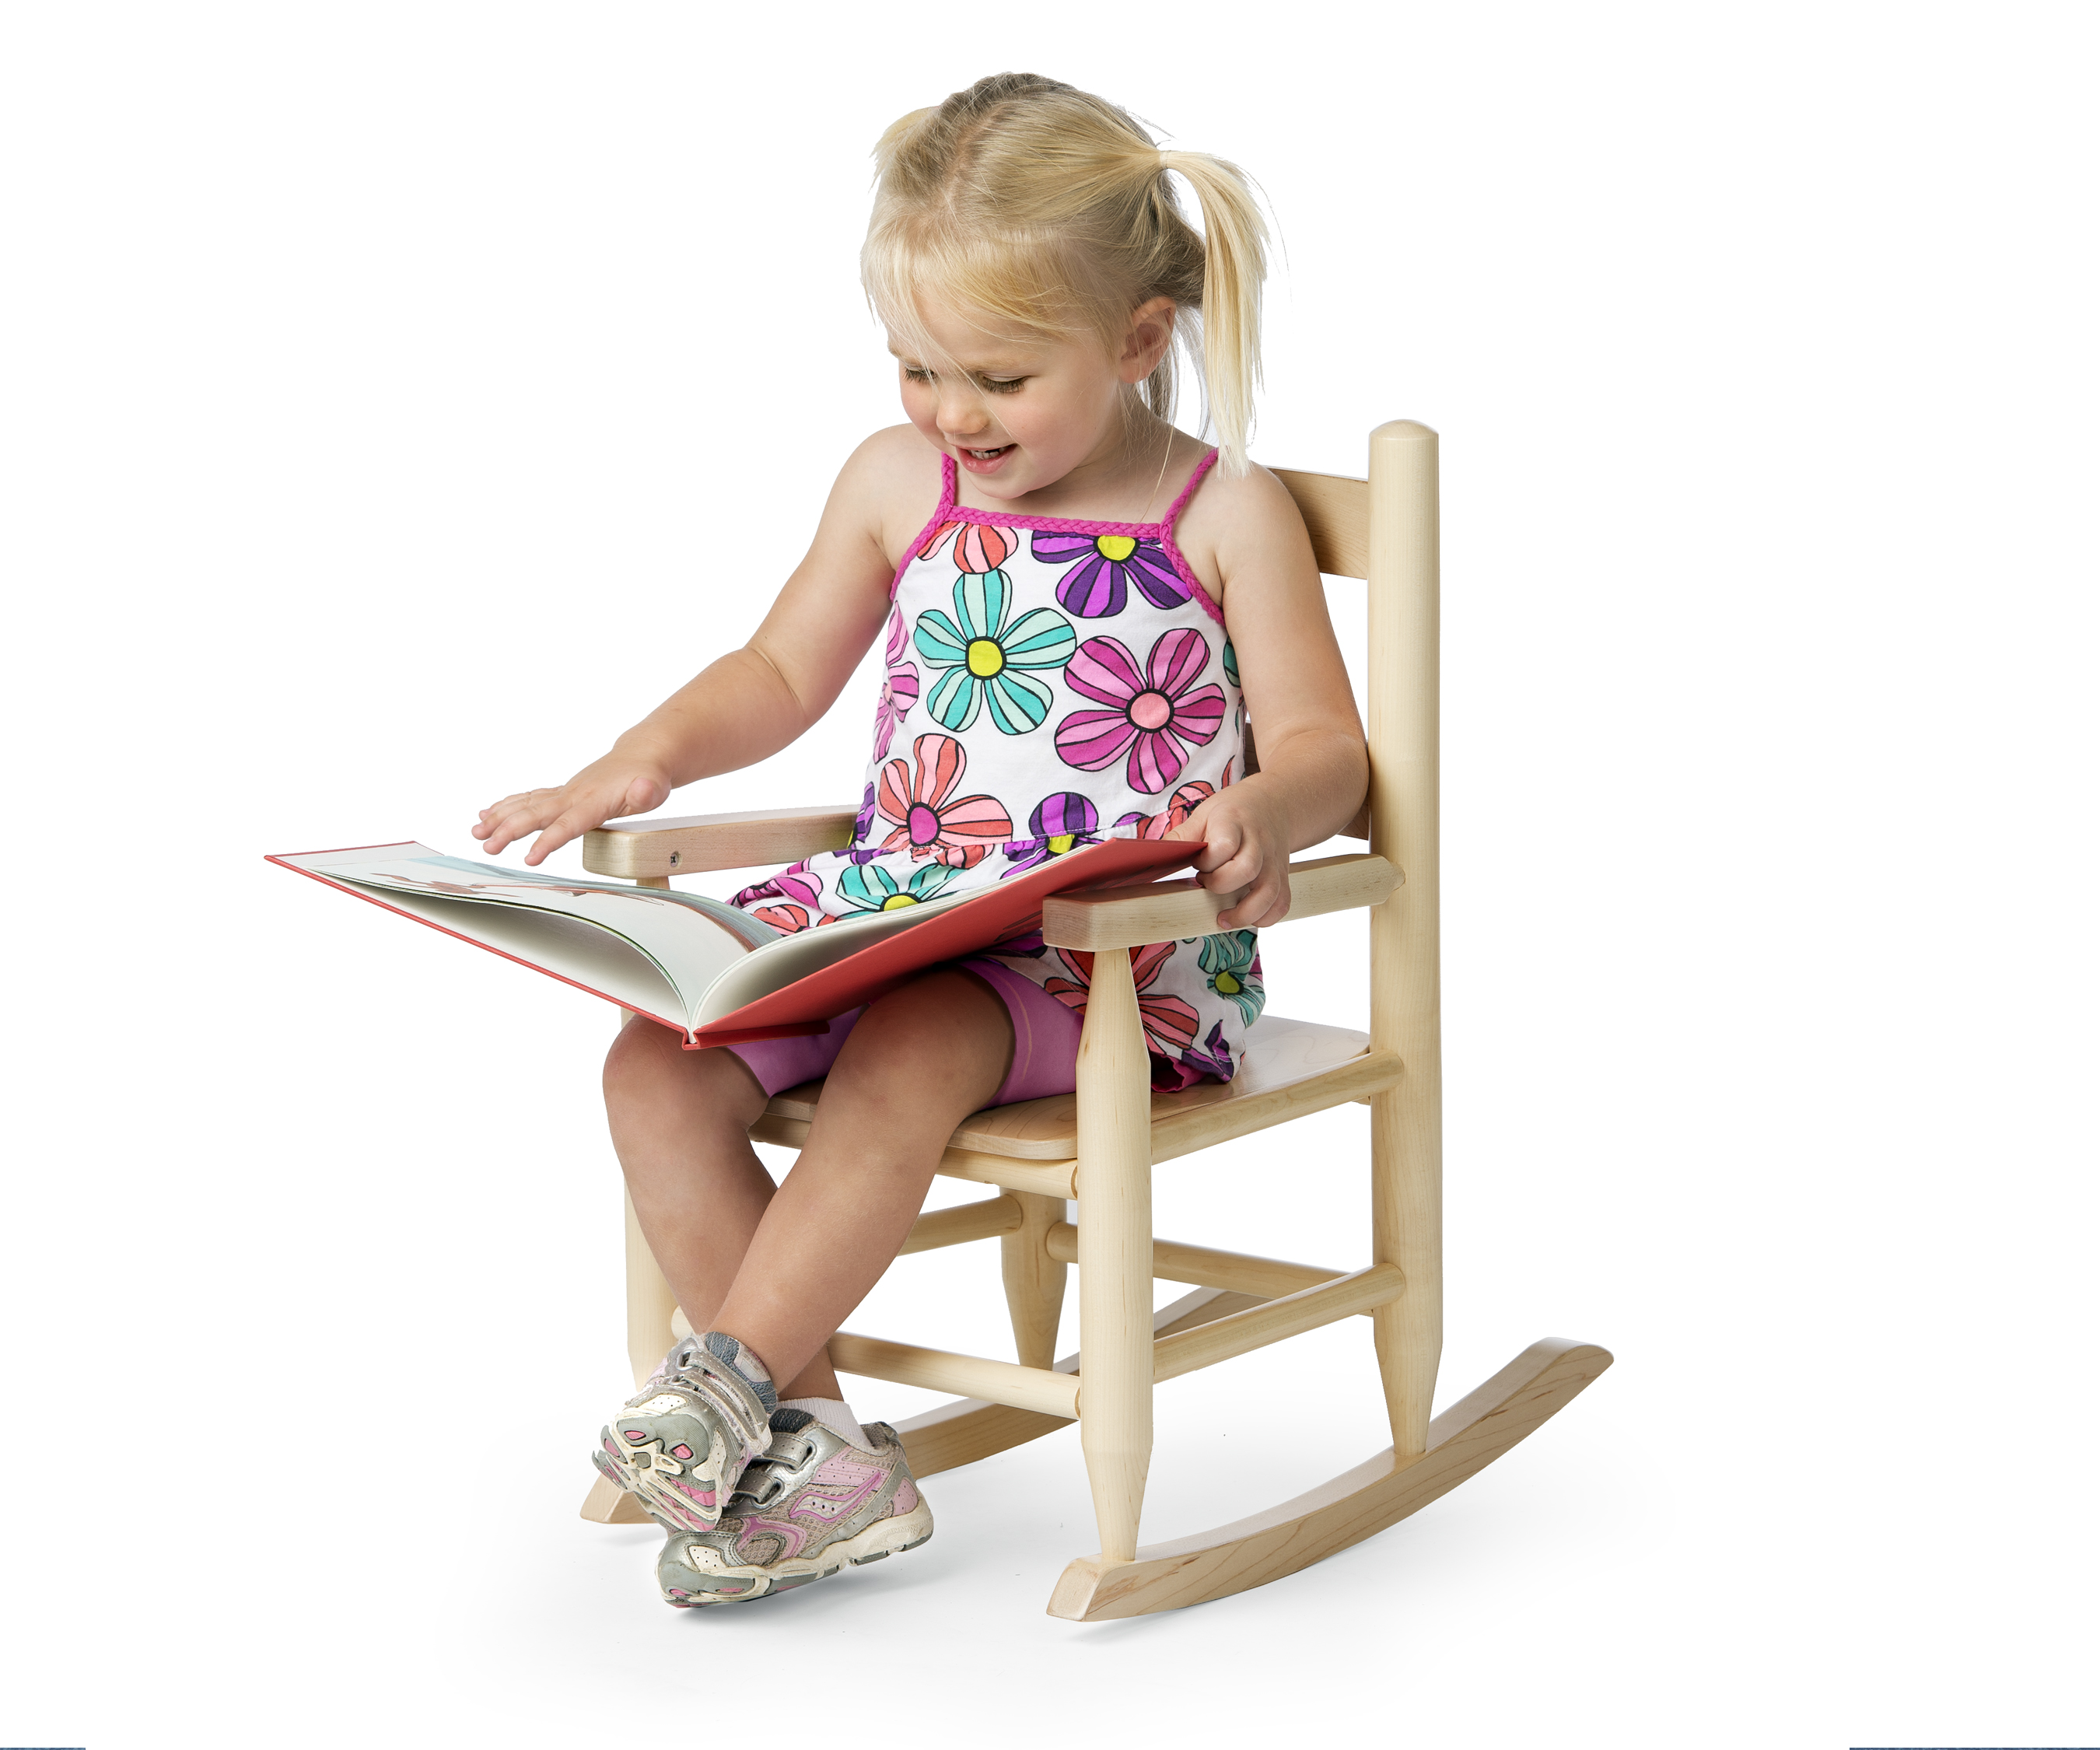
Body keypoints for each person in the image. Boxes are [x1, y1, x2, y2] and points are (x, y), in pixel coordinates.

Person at [474, 72, 1369, 1607]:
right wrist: (641, 759)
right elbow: (776, 674)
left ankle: (725, 1381)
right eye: (917, 367)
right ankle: (813, 1446)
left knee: (912, 1037)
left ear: (1138, 341)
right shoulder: (901, 485)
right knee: (652, 1058)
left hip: (1105, 961)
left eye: (1002, 377)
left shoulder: (1217, 515)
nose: (954, 412)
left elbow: (1327, 752)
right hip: (899, 906)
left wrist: (1260, 810)